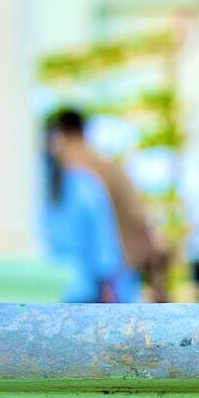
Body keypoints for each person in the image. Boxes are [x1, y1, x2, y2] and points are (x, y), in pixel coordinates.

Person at [48, 109, 169, 302]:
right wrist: (157, 280)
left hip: (86, 282)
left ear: (57, 132)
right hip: (119, 275)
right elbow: (140, 219)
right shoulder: (110, 167)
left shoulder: (60, 171)